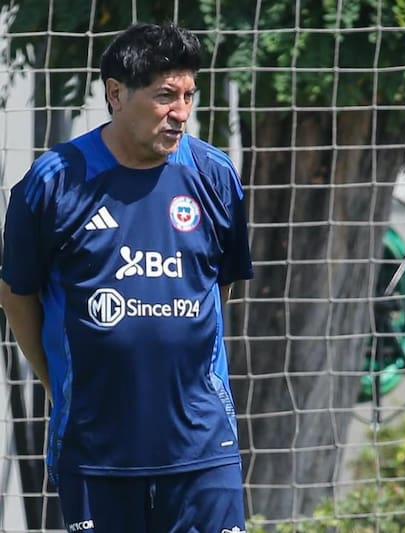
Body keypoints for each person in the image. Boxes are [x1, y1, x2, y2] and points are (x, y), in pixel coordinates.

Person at [0, 22, 253, 532]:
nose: (180, 112)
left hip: (203, 447)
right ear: (116, 94)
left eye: (187, 96)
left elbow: (218, 286)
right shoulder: (52, 183)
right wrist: (58, 382)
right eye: (164, 96)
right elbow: (15, 294)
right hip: (98, 449)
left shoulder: (214, 174)